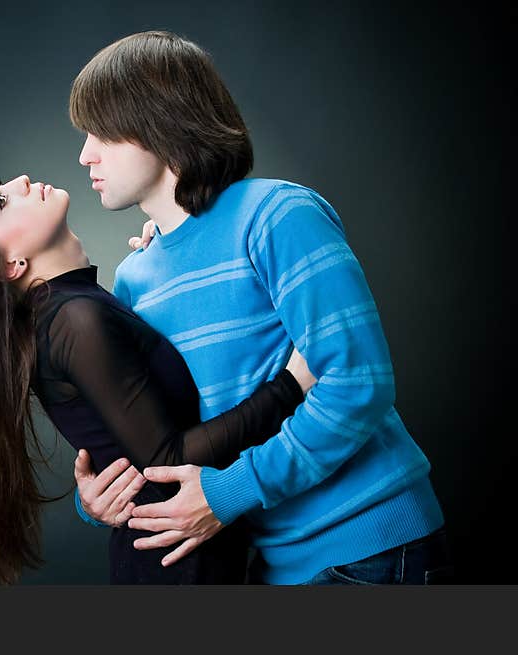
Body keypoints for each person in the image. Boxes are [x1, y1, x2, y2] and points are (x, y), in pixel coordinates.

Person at [69, 30, 455, 585]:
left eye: (99, 130)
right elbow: (161, 438)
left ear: (159, 120)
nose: (85, 153)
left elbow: (357, 383)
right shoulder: (134, 278)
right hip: (266, 562)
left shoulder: (277, 215)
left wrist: (229, 493)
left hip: (369, 546)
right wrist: (99, 499)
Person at [0, 171, 316, 585]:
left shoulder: (73, 311)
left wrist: (168, 252)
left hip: (187, 555)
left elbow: (135, 437)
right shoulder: (74, 321)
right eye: (1, 201)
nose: (21, 181)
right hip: (177, 567)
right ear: (11, 264)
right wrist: (291, 386)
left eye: (1, 186)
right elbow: (168, 460)